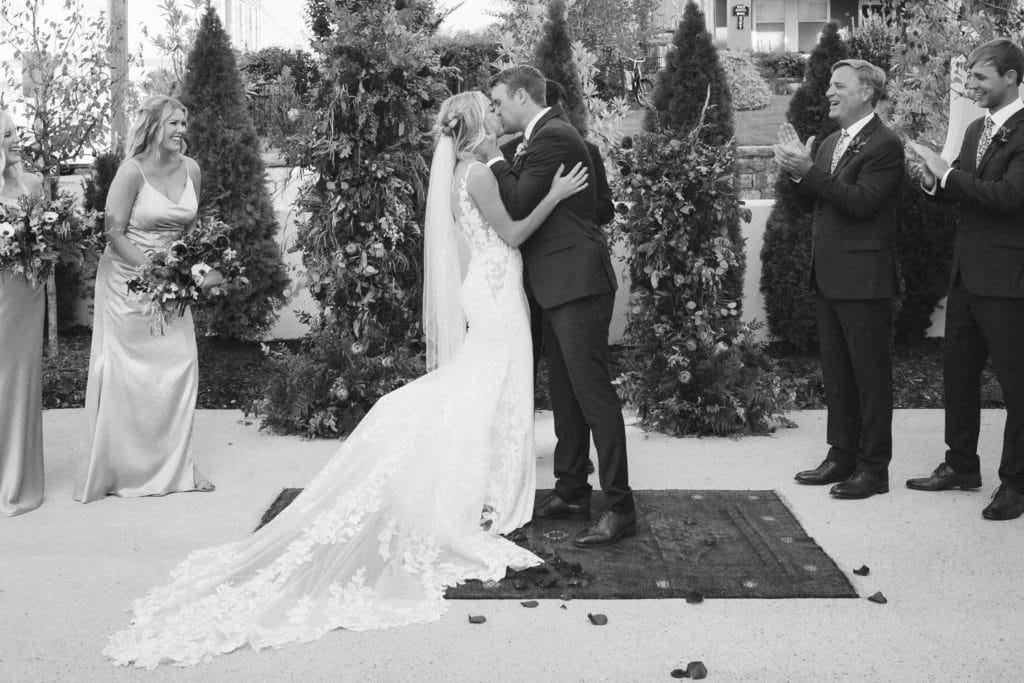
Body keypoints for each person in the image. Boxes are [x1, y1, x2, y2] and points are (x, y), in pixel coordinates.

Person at [103, 91, 589, 668]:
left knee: (489, 380)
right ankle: (477, 476)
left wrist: (511, 143)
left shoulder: (469, 164)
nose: (498, 115)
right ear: (478, 123)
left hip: (488, 288)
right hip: (495, 289)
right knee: (485, 383)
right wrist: (554, 193)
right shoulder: (479, 174)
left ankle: (494, 477)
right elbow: (509, 234)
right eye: (491, 109)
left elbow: (498, 158)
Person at [479, 65, 636, 546]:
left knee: (594, 397)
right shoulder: (538, 137)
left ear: (522, 96)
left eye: (499, 102)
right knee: (565, 395)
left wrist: (491, 159)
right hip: (554, 284)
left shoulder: (553, 137)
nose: (495, 111)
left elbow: (521, 204)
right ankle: (571, 491)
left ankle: (620, 508)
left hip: (578, 284)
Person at [774, 59, 904, 500]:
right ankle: (840, 455)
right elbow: (820, 198)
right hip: (829, 278)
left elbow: (862, 203)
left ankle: (873, 468)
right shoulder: (831, 142)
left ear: (867, 93)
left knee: (870, 377)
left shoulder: (885, 146)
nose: (829, 91)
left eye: (838, 84)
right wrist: (797, 171)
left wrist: (809, 171)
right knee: (838, 375)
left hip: (866, 281)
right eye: (830, 83)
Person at [906, 38, 1024, 521]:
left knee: (1017, 387)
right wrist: (935, 183)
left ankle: (1015, 484)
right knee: (957, 376)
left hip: (1010, 280)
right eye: (969, 75)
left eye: (980, 76)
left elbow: (1008, 197)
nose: (970, 84)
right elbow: (965, 192)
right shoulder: (978, 129)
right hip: (967, 276)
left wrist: (948, 177)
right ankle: (961, 465)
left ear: (1011, 78)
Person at [75, 96, 215, 503]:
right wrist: (153, 270)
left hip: (173, 282)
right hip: (127, 282)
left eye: (184, 124)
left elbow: (190, 231)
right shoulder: (131, 171)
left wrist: (190, 269)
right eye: (173, 123)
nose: (181, 131)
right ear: (154, 126)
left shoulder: (192, 170)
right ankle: (123, 468)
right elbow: (113, 233)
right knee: (129, 379)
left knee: (182, 365)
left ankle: (178, 465)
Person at [0, 110, 46, 516]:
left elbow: (47, 238)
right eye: (6, 135)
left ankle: (23, 474)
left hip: (29, 294)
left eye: (15, 132)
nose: (15, 140)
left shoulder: (34, 183)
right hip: (1, 297)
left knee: (23, 377)